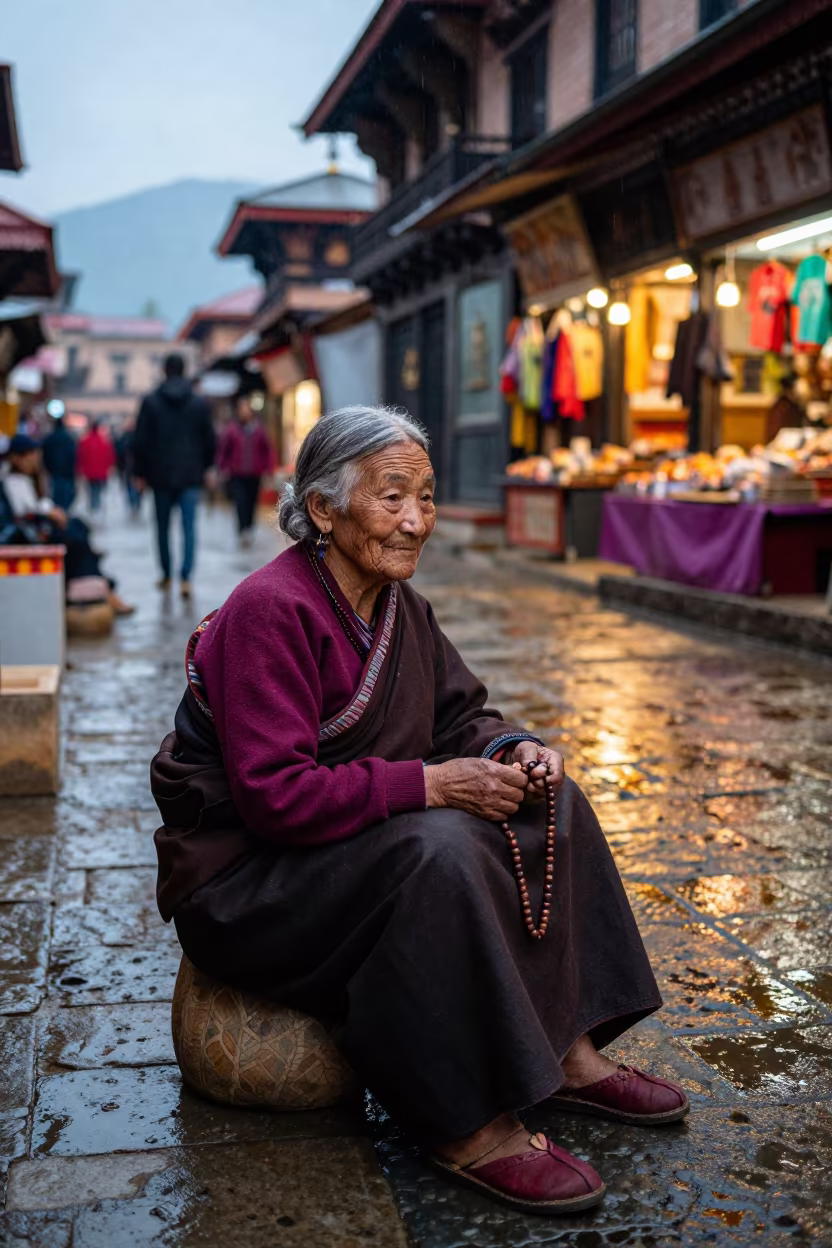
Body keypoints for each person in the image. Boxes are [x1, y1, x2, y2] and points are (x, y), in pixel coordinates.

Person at [150, 406, 687, 1218]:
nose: (415, 521)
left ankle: (570, 1053)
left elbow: (460, 717)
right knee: (439, 849)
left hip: (335, 850)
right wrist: (433, 786)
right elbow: (273, 797)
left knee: (554, 801)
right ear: (323, 509)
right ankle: (463, 1120)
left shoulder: (402, 609)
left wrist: (514, 749)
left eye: (427, 498)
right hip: (251, 882)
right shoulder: (272, 609)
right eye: (392, 495)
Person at [1, 433, 133, 614]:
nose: (35, 460)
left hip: (36, 529)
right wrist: (51, 514)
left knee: (78, 528)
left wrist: (52, 513)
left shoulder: (28, 479)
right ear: (17, 458)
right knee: (76, 541)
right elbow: (24, 512)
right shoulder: (12, 481)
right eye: (30, 455)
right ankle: (104, 589)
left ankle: (100, 584)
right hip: (28, 535)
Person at [133, 354, 215, 599]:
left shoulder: (150, 402)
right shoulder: (199, 403)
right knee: (189, 528)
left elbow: (140, 442)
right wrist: (206, 467)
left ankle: (167, 574)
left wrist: (139, 473)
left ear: (164, 371)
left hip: (159, 475)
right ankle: (186, 577)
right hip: (190, 475)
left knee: (162, 527)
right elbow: (210, 441)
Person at [216, 394, 275, 546]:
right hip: (237, 474)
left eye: (246, 408)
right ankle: (242, 530)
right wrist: (222, 467)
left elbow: (267, 450)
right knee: (240, 502)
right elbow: (224, 450)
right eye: (241, 409)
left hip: (255, 474)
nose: (244, 412)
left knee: (252, 502)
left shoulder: (259, 429)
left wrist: (269, 470)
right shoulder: (232, 429)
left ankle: (249, 527)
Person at [77, 421, 115, 512]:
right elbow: (110, 457)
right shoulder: (104, 441)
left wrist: (80, 469)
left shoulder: (85, 441)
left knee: (91, 489)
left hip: (89, 471)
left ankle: (93, 506)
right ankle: (96, 505)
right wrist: (109, 467)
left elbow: (80, 456)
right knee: (97, 489)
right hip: (101, 472)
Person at [41, 415, 77, 511]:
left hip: (55, 471)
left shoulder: (49, 438)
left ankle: (59, 511)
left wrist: (48, 467)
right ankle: (63, 512)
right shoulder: (69, 438)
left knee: (56, 494)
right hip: (67, 471)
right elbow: (73, 455)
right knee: (66, 494)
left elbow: (45, 455)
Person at [115, 418, 142, 516]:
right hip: (131, 467)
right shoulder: (138, 436)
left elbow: (118, 452)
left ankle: (134, 503)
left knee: (131, 486)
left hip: (129, 467)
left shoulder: (125, 438)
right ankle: (135, 504)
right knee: (135, 487)